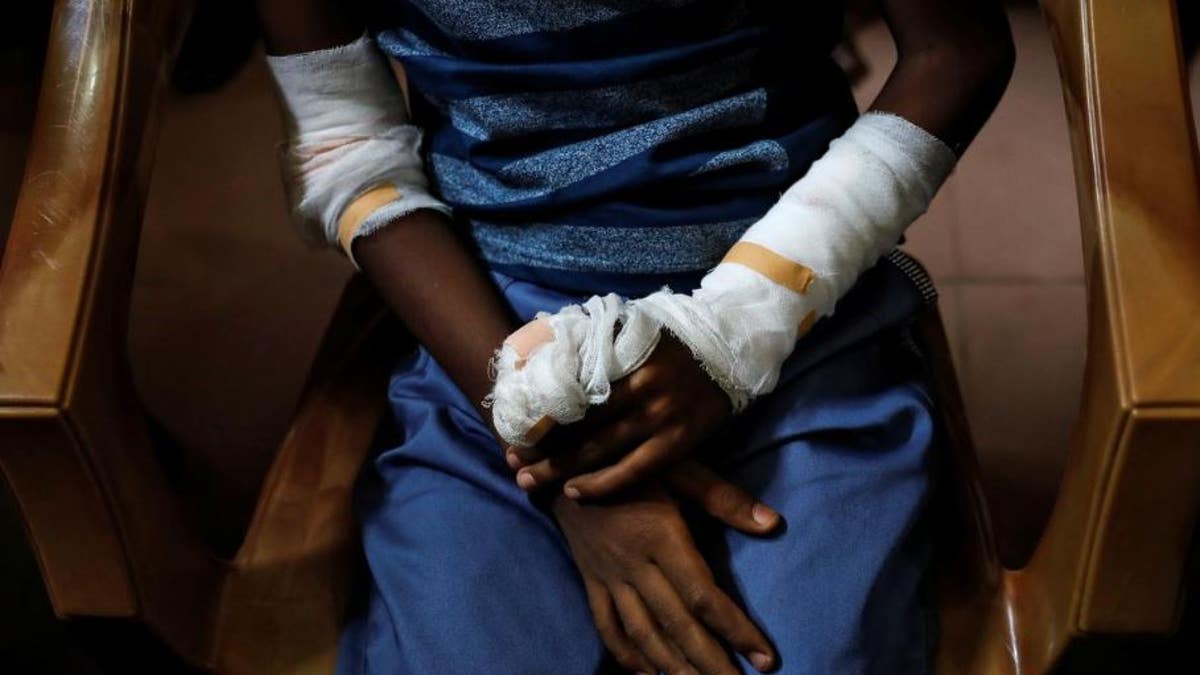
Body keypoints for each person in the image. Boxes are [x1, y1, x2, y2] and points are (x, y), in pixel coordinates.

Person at [256, 1, 1013, 673]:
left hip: (796, 305)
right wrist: (555, 445)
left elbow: (957, 51)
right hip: (493, 339)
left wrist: (730, 333)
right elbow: (343, 138)